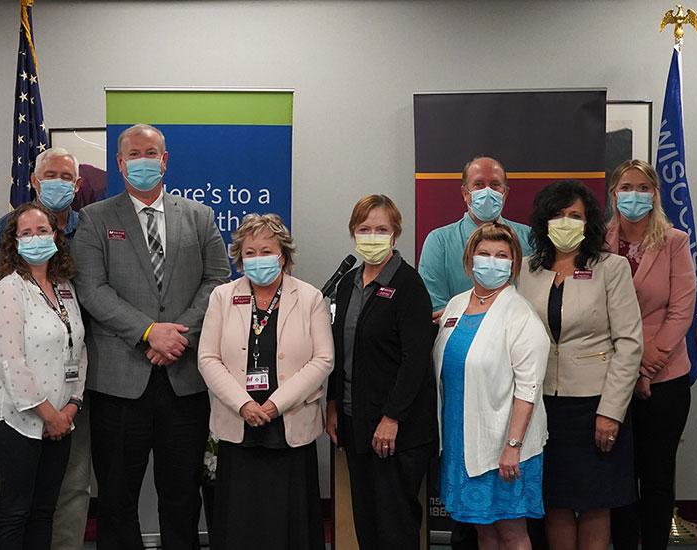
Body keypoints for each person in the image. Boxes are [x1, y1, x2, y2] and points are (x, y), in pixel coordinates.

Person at [74, 123, 230, 549]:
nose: (143, 160)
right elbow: (92, 289)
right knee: (117, 497)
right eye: (133, 153)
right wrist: (147, 332)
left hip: (184, 380)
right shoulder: (94, 219)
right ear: (120, 163)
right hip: (119, 384)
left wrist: (177, 336)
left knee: (182, 496)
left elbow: (217, 279)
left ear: (165, 160)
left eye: (151, 152)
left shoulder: (199, 217)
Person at [0, 148, 94, 550]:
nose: (35, 239)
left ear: (56, 237)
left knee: (46, 511)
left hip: (63, 418)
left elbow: (78, 349)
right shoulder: (9, 288)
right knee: (15, 513)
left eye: (42, 232)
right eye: (25, 233)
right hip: (19, 421)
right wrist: (48, 414)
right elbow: (10, 362)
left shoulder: (65, 287)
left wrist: (70, 409)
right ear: (13, 240)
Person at [516, 180, 643, 550]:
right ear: (544, 222)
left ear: (589, 224)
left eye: (575, 216)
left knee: (593, 503)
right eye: (558, 215)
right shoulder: (527, 269)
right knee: (554, 501)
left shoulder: (611, 268)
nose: (566, 222)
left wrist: (611, 412)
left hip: (595, 404)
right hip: (542, 403)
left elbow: (629, 344)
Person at [197, 214, 333, 550]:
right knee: (240, 523)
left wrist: (275, 404)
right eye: (250, 252)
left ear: (283, 255)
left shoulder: (310, 297)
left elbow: (323, 359)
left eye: (266, 251)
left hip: (289, 425)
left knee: (291, 524)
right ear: (240, 258)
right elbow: (207, 358)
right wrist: (243, 403)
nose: (258, 259)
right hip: (238, 424)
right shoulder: (222, 297)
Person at [327, 194, 438, 550]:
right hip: (354, 423)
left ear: (395, 233)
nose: (371, 236)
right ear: (353, 233)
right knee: (367, 523)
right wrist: (332, 405)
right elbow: (337, 349)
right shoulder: (348, 283)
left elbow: (416, 360)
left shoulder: (409, 285)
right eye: (364, 229)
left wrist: (392, 417)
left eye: (381, 229)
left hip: (397, 430)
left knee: (396, 527)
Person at [432, 223, 549, 550]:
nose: (491, 261)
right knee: (483, 529)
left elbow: (528, 387)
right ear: (470, 260)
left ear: (514, 264)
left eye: (502, 256)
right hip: (462, 440)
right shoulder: (455, 306)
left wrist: (512, 445)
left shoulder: (521, 315)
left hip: (506, 445)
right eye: (484, 254)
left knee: (511, 532)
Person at [603, 161, 697, 550]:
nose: (635, 194)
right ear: (613, 194)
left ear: (655, 194)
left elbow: (682, 308)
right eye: (627, 187)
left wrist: (646, 362)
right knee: (620, 477)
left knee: (657, 478)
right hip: (611, 376)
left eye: (644, 187)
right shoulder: (598, 241)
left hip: (666, 376)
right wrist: (628, 365)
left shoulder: (674, 240)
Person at [419, 156, 534, 314]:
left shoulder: (529, 239)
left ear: (505, 194)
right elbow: (436, 308)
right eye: (478, 185)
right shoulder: (439, 242)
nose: (487, 191)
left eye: (495, 185)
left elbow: (536, 299)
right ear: (465, 193)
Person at [0, 147, 83, 285]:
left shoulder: (87, 227)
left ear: (77, 185)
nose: (58, 182)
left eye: (66, 177)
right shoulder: (5, 228)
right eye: (50, 176)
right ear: (34, 181)